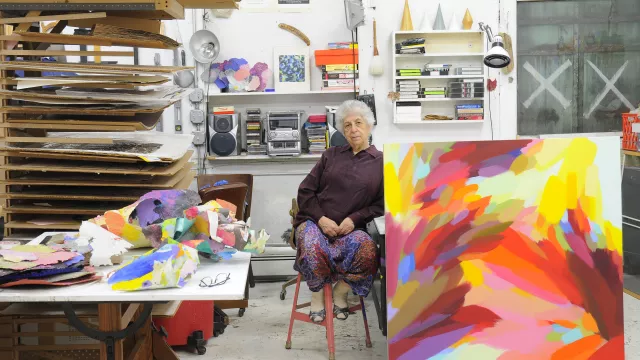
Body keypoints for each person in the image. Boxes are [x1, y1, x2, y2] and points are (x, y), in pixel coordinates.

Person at [293, 99, 382, 323]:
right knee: (311, 242)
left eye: (358, 123)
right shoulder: (330, 155)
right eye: (347, 125)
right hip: (316, 221)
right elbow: (305, 191)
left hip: (351, 229)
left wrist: (355, 219)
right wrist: (321, 219)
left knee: (369, 249)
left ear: (369, 126)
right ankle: (317, 295)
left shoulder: (381, 162)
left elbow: (381, 204)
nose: (353, 130)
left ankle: (341, 292)